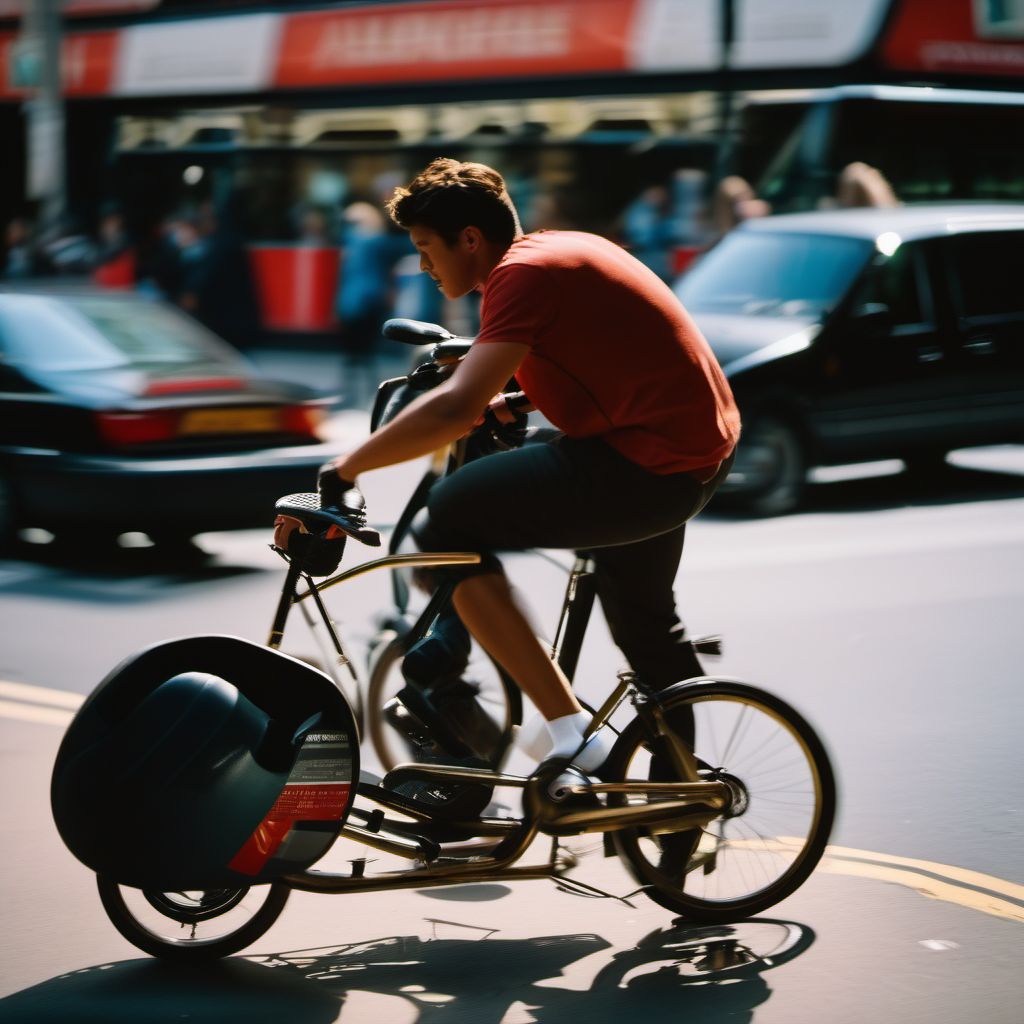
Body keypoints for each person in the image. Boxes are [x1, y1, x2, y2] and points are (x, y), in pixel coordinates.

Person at [317, 158, 740, 796]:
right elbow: (603, 355)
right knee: (648, 631)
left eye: (428, 250)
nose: (423, 267)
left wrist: (348, 465)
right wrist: (519, 402)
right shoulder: (556, 253)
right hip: (688, 459)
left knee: (447, 523)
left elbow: (457, 405)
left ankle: (569, 728)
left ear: (470, 240)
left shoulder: (521, 278)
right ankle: (680, 799)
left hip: (643, 463)